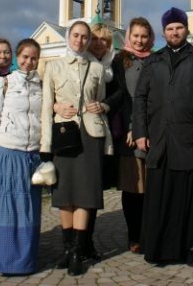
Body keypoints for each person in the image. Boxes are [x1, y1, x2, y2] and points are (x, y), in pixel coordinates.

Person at [133, 7, 193, 267]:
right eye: (170, 28)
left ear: (186, 29)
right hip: (159, 141)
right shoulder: (153, 61)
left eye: (179, 27)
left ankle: (191, 247)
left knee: (191, 199)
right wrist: (140, 132)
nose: (174, 32)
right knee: (161, 198)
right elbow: (140, 98)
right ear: (163, 32)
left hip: (190, 140)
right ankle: (158, 248)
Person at [41, 20, 110, 276]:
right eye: (76, 36)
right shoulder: (53, 66)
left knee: (85, 194)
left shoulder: (96, 68)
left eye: (84, 37)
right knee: (65, 195)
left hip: (90, 135)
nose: (80, 41)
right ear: (69, 37)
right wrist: (45, 146)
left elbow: (101, 99)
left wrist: (102, 107)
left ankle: (78, 252)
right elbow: (47, 107)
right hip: (64, 136)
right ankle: (67, 249)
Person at [0, 38, 43, 275]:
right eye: (25, 57)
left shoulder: (41, 86)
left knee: (28, 209)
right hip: (8, 151)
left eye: (34, 58)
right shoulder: (4, 83)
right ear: (17, 58)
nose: (29, 61)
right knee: (6, 207)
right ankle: (3, 258)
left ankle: (24, 260)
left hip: (32, 154)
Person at [83, 22, 125, 260]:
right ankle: (81, 239)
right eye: (95, 39)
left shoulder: (114, 64)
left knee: (95, 187)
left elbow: (120, 91)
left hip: (108, 130)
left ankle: (87, 240)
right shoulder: (82, 62)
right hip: (84, 131)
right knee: (85, 187)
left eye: (105, 41)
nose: (100, 44)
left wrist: (107, 104)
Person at [114, 17, 155, 254]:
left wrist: (145, 127)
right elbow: (121, 97)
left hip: (152, 132)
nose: (139, 41)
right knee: (133, 189)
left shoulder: (156, 59)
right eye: (136, 36)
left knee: (151, 189)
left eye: (144, 36)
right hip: (129, 135)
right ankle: (134, 236)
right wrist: (132, 126)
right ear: (129, 36)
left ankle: (150, 233)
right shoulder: (121, 60)